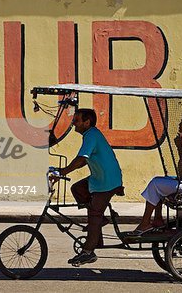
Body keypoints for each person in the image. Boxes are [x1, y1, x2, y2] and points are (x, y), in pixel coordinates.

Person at [55, 108, 123, 266]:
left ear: (87, 122)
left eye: (76, 120)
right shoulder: (90, 135)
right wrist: (62, 172)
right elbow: (84, 160)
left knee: (94, 214)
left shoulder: (91, 134)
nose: (73, 123)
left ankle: (88, 253)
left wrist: (62, 172)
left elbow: (81, 159)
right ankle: (99, 221)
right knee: (78, 189)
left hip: (107, 182)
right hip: (99, 179)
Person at [133, 110, 182, 234]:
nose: (180, 124)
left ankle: (145, 223)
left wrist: (179, 148)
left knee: (155, 183)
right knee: (158, 181)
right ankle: (157, 219)